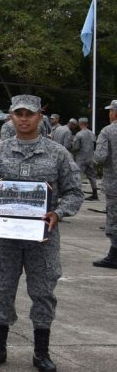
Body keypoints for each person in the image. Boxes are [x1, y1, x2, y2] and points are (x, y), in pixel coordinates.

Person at [0, 94, 82, 372]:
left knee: (43, 292)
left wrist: (58, 213)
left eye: (29, 114)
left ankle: (41, 352)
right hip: (5, 238)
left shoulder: (58, 153)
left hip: (42, 238)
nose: (23, 119)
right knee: (1, 290)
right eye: (18, 114)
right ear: (11, 116)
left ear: (39, 117)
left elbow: (74, 192)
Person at [93, 101, 117, 269]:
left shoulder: (108, 131)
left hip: (114, 184)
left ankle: (114, 255)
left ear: (114, 113)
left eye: (110, 111)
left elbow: (100, 157)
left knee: (114, 220)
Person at [73, 117, 98, 201]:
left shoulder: (79, 134)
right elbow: (95, 145)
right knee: (92, 176)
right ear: (87, 124)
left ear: (80, 124)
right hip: (90, 158)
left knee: (79, 176)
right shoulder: (92, 134)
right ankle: (95, 193)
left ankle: (78, 194)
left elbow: (76, 147)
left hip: (81, 158)